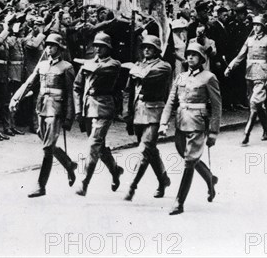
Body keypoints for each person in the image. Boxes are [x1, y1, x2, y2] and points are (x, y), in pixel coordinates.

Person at [9, 33, 78, 197]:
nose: (49, 48)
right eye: (47, 45)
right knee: (46, 141)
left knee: (47, 147)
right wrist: (15, 99)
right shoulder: (42, 66)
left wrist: (69, 117)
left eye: (52, 45)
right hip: (41, 108)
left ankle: (41, 186)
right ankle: (68, 164)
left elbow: (71, 94)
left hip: (56, 110)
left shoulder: (66, 67)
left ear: (59, 48)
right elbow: (28, 83)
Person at [159, 42, 221, 215]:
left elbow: (217, 106)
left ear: (201, 59)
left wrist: (214, 132)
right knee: (186, 156)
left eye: (194, 55)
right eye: (189, 54)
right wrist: (164, 123)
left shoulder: (209, 77)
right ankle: (210, 178)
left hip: (198, 123)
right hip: (180, 123)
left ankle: (179, 202)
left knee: (189, 162)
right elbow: (171, 101)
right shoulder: (180, 77)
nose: (190, 57)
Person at [122, 35, 172, 201]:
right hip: (138, 112)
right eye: (144, 47)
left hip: (155, 112)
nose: (146, 50)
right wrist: (126, 112)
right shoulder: (138, 66)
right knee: (150, 150)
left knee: (144, 150)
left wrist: (131, 67)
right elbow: (128, 90)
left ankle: (132, 186)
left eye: (150, 47)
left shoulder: (164, 67)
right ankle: (163, 179)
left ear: (157, 50)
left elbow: (146, 76)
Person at [73, 32, 124, 196]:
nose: (97, 49)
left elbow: (101, 69)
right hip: (88, 108)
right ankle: (115, 170)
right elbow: (77, 87)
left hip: (103, 108)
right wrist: (78, 110)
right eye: (95, 45)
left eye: (101, 46)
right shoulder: (88, 63)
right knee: (99, 147)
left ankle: (84, 183)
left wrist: (83, 62)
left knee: (93, 145)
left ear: (108, 48)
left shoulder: (114, 64)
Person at [225, 15, 267, 144]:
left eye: (258, 25)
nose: (255, 27)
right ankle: (266, 129)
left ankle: (246, 133)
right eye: (254, 25)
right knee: (256, 105)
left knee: (254, 103)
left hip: (262, 75)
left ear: (263, 27)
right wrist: (230, 67)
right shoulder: (249, 40)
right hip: (249, 75)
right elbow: (240, 56)